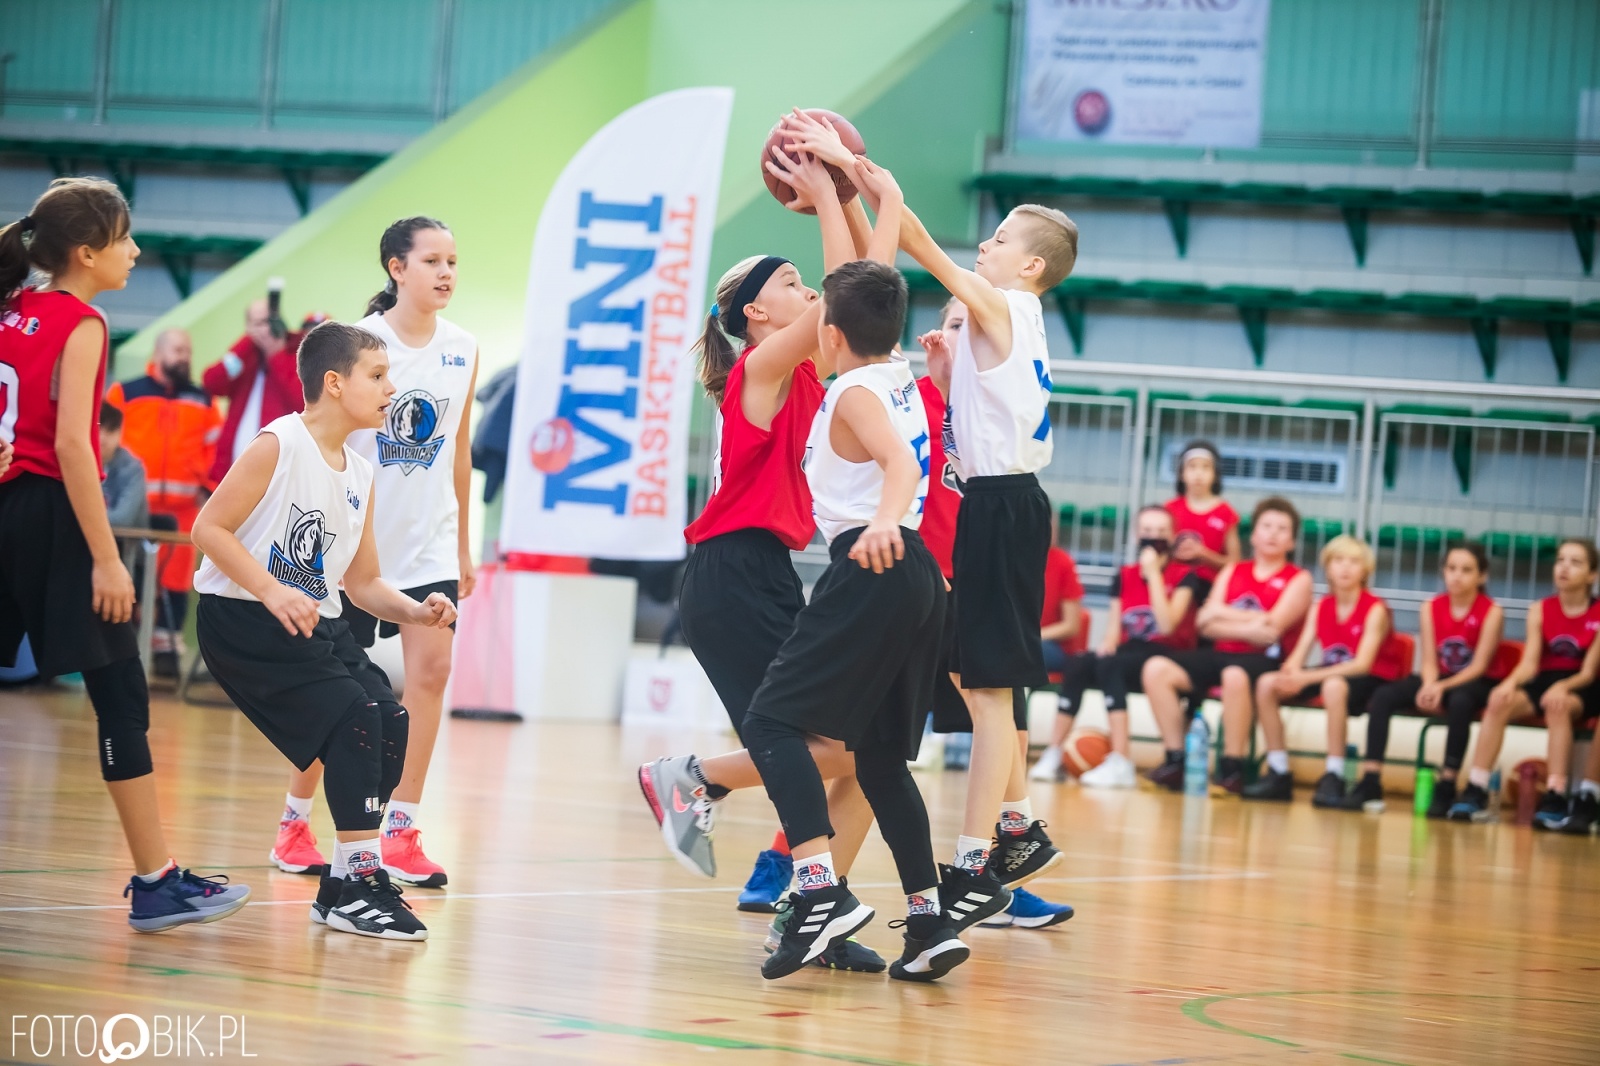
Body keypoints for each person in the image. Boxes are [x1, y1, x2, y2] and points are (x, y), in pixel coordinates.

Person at [639, 136, 897, 972]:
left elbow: (867, 294)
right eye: (790, 283)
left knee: (858, 748)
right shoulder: (759, 370)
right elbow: (847, 300)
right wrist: (830, 194)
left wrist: (854, 201)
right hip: (728, 573)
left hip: (763, 573)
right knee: (806, 742)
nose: (809, 290)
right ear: (756, 312)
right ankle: (691, 779)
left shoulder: (814, 374)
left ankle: (805, 913)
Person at [817, 116, 1077, 893]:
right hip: (999, 504)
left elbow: (922, 252)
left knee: (990, 694)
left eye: (999, 239)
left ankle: (978, 856)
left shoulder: (1008, 306)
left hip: (1002, 507)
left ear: (1029, 265)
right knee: (976, 683)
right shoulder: (1001, 327)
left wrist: (865, 175)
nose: (986, 247)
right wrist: (943, 372)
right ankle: (1016, 824)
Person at [0, 177, 250, 931]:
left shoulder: (10, 309)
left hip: (9, 507)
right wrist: (107, 559)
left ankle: (158, 877)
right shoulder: (82, 322)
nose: (136, 252)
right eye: (125, 239)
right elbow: (75, 446)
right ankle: (155, 882)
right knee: (119, 694)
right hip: (52, 515)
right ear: (86, 252)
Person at [191, 320, 457, 940]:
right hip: (245, 618)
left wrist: (416, 611)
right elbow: (209, 529)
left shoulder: (359, 475)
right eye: (378, 375)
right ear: (334, 383)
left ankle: (343, 882)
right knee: (356, 721)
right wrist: (272, 589)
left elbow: (362, 584)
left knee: (390, 719)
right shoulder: (278, 445)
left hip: (315, 618)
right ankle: (359, 880)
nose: (392, 387)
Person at [267, 217, 478, 892]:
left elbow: (459, 451)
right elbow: (320, 444)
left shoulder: (464, 347)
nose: (446, 273)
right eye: (432, 261)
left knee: (432, 674)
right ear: (396, 268)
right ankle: (295, 822)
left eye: (453, 261)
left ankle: (402, 830)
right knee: (340, 691)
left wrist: (465, 547)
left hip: (433, 537)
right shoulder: (360, 344)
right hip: (356, 545)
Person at [918, 299, 1074, 929]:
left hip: (970, 579)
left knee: (1003, 710)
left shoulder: (988, 407)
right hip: (916, 583)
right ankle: (784, 857)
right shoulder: (908, 401)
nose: (962, 338)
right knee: (850, 739)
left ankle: (1000, 865)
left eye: (973, 327)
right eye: (954, 324)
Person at [1141, 496, 1314, 794]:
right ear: (1254, 535)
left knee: (1235, 675)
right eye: (1266, 526)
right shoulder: (1234, 570)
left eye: (1282, 529)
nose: (1273, 533)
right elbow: (1203, 621)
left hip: (1267, 661)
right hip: (1221, 654)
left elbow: (1272, 629)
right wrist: (1251, 622)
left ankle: (1232, 769)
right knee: (1157, 668)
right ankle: (1175, 760)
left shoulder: (1299, 579)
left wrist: (1223, 616)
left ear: (1292, 542)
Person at [1035, 505, 1205, 787]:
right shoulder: (1124, 574)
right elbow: (1114, 629)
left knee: (1113, 665)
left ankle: (1121, 760)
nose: (1154, 537)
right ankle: (1053, 753)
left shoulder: (1184, 576)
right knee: (1082, 662)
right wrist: (1106, 644)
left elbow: (1167, 625)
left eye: (1161, 532)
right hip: (1130, 651)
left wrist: (1153, 577)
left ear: (1172, 536)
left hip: (1169, 655)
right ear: (1138, 535)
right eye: (1148, 531)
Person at [1246, 535, 1409, 804]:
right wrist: (1290, 672)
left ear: (1365, 570)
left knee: (1333, 685)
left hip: (1371, 679)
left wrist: (1306, 676)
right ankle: (1278, 770)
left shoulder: (1375, 608)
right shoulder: (1320, 606)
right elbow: (1298, 655)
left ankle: (1334, 774)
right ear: (1328, 567)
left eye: (1354, 562)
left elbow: (1362, 664)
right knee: (1266, 683)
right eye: (1338, 561)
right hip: (1330, 673)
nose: (1345, 568)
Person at [1449, 539, 1600, 826]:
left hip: (1581, 683)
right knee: (1498, 700)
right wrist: (1508, 683)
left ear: (1592, 575)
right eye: (1560, 560)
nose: (1565, 567)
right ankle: (1476, 787)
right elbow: (1530, 664)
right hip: (1545, 679)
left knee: (1559, 705)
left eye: (1576, 562)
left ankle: (1556, 793)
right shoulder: (1540, 610)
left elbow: (1589, 673)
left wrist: (1564, 687)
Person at [1351, 542, 1504, 816]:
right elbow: (1431, 661)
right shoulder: (1430, 607)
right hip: (1441, 676)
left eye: (1466, 570)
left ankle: (1447, 783)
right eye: (1451, 568)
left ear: (1482, 576)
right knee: (1383, 696)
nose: (1457, 575)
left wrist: (1440, 687)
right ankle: (1371, 779)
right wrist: (1430, 684)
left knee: (1460, 702)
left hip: (1476, 681)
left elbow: (1479, 666)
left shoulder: (1491, 611)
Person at [105, 327, 222, 675]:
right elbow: (104, 437)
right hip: (133, 507)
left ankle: (167, 650)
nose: (183, 356)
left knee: (175, 582)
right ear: (158, 353)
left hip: (184, 511)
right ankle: (121, 646)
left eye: (187, 350)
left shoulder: (204, 400)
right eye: (176, 349)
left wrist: (209, 485)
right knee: (132, 575)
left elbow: (217, 449)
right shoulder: (125, 392)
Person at [203, 299, 305, 483]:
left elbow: (300, 400)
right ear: (248, 327)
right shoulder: (245, 357)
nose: (265, 329)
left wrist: (276, 353)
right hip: (232, 473)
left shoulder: (295, 353)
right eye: (258, 323)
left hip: (277, 473)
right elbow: (212, 382)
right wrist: (247, 343)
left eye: (269, 321)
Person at [1166, 439, 1240, 582]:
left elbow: (1234, 562)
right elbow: (1160, 553)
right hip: (1172, 584)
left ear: (1215, 474)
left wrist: (1204, 554)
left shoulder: (1226, 513)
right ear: (1182, 473)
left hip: (1210, 588)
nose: (1198, 474)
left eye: (1206, 467)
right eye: (1192, 467)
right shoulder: (1169, 509)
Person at [99, 401, 149, 531]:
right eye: (98, 428)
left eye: (110, 430)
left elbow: (122, 520)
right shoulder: (76, 463)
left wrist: (79, 517)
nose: (102, 438)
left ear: (120, 433)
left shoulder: (133, 469)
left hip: (126, 547)